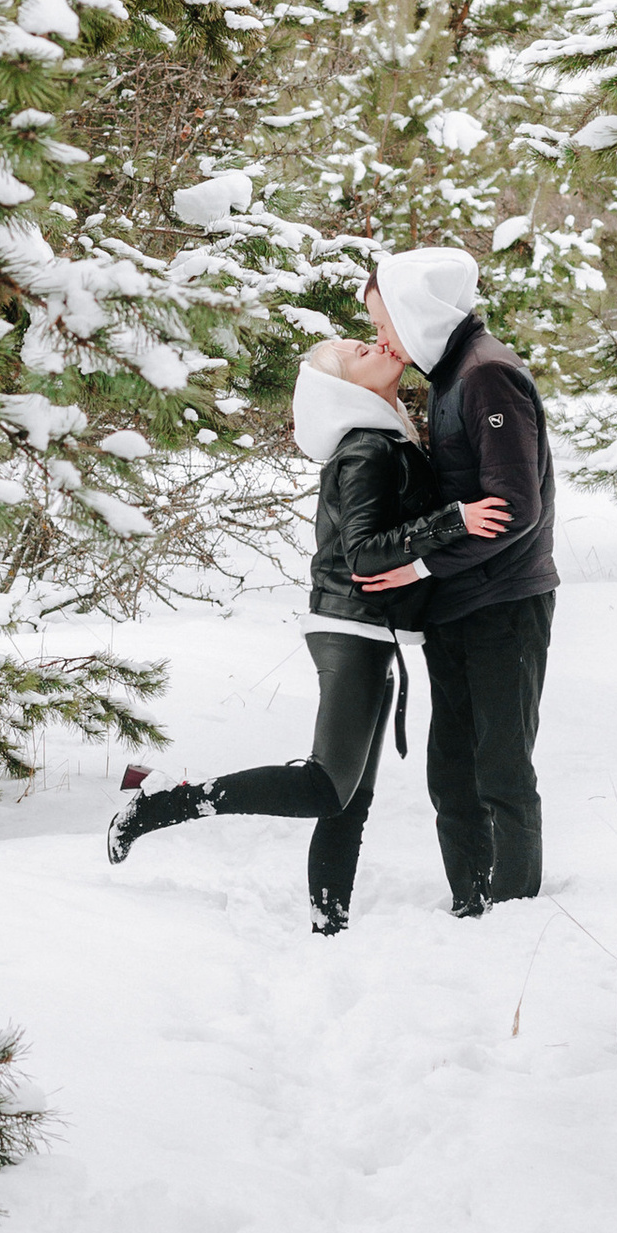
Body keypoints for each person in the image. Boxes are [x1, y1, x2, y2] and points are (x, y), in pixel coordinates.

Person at [105, 335, 507, 933]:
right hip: (350, 627)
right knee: (324, 787)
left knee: (347, 798)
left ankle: (328, 925)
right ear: (347, 387)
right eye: (359, 352)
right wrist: (454, 521)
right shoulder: (365, 450)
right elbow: (365, 554)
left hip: (369, 629)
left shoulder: (389, 439)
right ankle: (158, 804)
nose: (378, 345)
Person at [352, 245, 556, 916]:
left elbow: (515, 508)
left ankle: (514, 908)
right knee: (452, 770)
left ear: (415, 310)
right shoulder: (449, 375)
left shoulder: (486, 375)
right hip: (458, 605)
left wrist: (420, 564)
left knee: (499, 765)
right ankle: (472, 901)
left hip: (504, 601)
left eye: (385, 321)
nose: (382, 338)